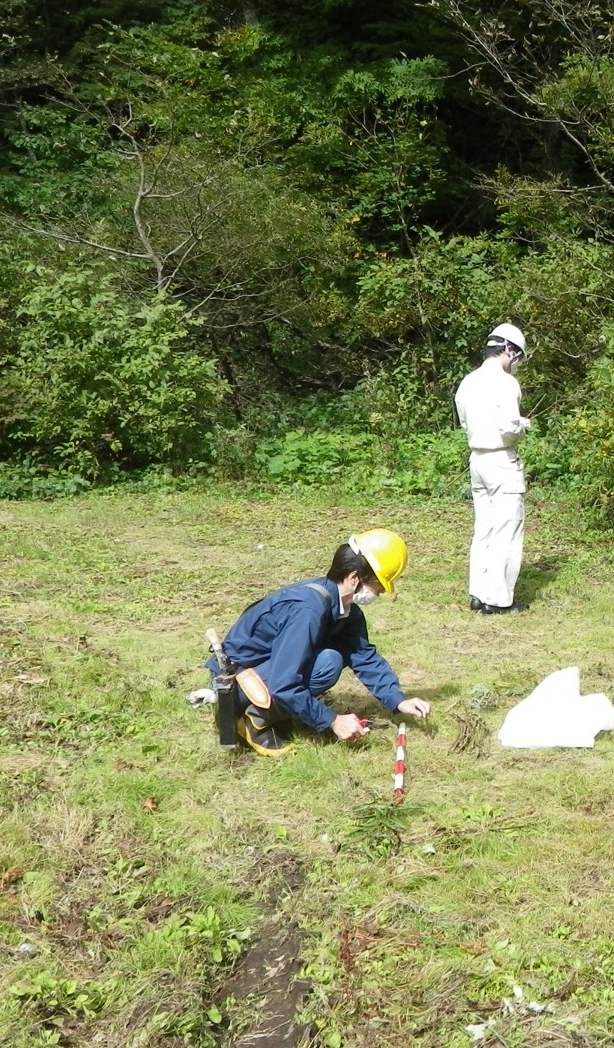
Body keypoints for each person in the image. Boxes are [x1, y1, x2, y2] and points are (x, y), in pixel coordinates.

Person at [207, 530, 431, 757]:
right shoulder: (308, 610)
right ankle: (253, 720)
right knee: (327, 663)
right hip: (235, 681)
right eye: (379, 585)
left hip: (265, 669)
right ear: (355, 578)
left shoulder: (345, 609)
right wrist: (333, 721)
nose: (381, 592)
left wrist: (398, 700)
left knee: (330, 659)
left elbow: (363, 656)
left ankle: (272, 710)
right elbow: (284, 683)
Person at [454, 322, 531, 615]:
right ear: (509, 350)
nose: (516, 364)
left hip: (477, 460)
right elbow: (509, 425)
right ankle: (498, 599)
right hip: (501, 460)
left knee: (484, 528)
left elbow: (464, 422)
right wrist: (523, 427)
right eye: (518, 357)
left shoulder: (468, 381)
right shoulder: (505, 382)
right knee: (507, 529)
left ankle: (479, 592)